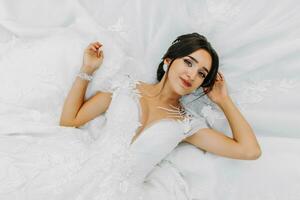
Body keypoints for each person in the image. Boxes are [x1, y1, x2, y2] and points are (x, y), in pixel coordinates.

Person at [0, 33, 261, 200]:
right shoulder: (124, 87)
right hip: (74, 172)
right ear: (169, 61)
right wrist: (87, 70)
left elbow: (250, 151)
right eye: (189, 62)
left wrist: (224, 101)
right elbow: (70, 120)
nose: (192, 75)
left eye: (202, 73)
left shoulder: (186, 125)